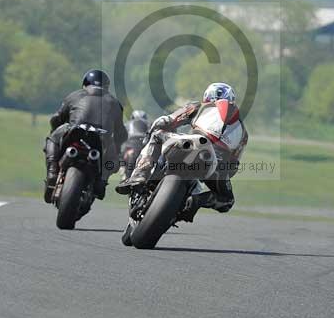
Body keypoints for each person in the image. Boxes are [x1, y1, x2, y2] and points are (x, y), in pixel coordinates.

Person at [115, 82, 248, 220]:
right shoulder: (243, 132)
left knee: (157, 136)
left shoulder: (199, 106)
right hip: (214, 164)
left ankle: (139, 175)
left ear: (207, 96)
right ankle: (197, 200)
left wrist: (149, 133)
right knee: (227, 200)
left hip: (190, 143)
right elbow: (233, 167)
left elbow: (167, 120)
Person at [43, 69, 127, 203]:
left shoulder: (75, 95)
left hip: (74, 131)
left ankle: (53, 171)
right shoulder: (115, 102)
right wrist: (117, 148)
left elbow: (57, 118)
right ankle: (102, 181)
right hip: (101, 138)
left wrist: (55, 129)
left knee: (52, 139)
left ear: (85, 83)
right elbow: (121, 132)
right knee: (114, 157)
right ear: (106, 86)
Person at [120, 110, 149, 180]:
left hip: (129, 145)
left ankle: (122, 169)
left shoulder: (127, 124)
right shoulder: (148, 123)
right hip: (143, 145)